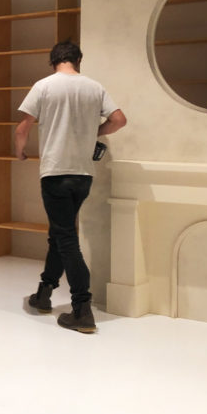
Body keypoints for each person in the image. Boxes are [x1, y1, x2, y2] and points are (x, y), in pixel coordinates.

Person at [14, 40, 127, 334]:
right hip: (83, 176)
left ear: (53, 61)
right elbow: (118, 120)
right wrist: (94, 133)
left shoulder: (44, 86)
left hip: (55, 173)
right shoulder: (94, 87)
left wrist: (20, 151)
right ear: (78, 60)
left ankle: (81, 309)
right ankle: (44, 293)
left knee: (65, 239)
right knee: (60, 233)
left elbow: (23, 127)